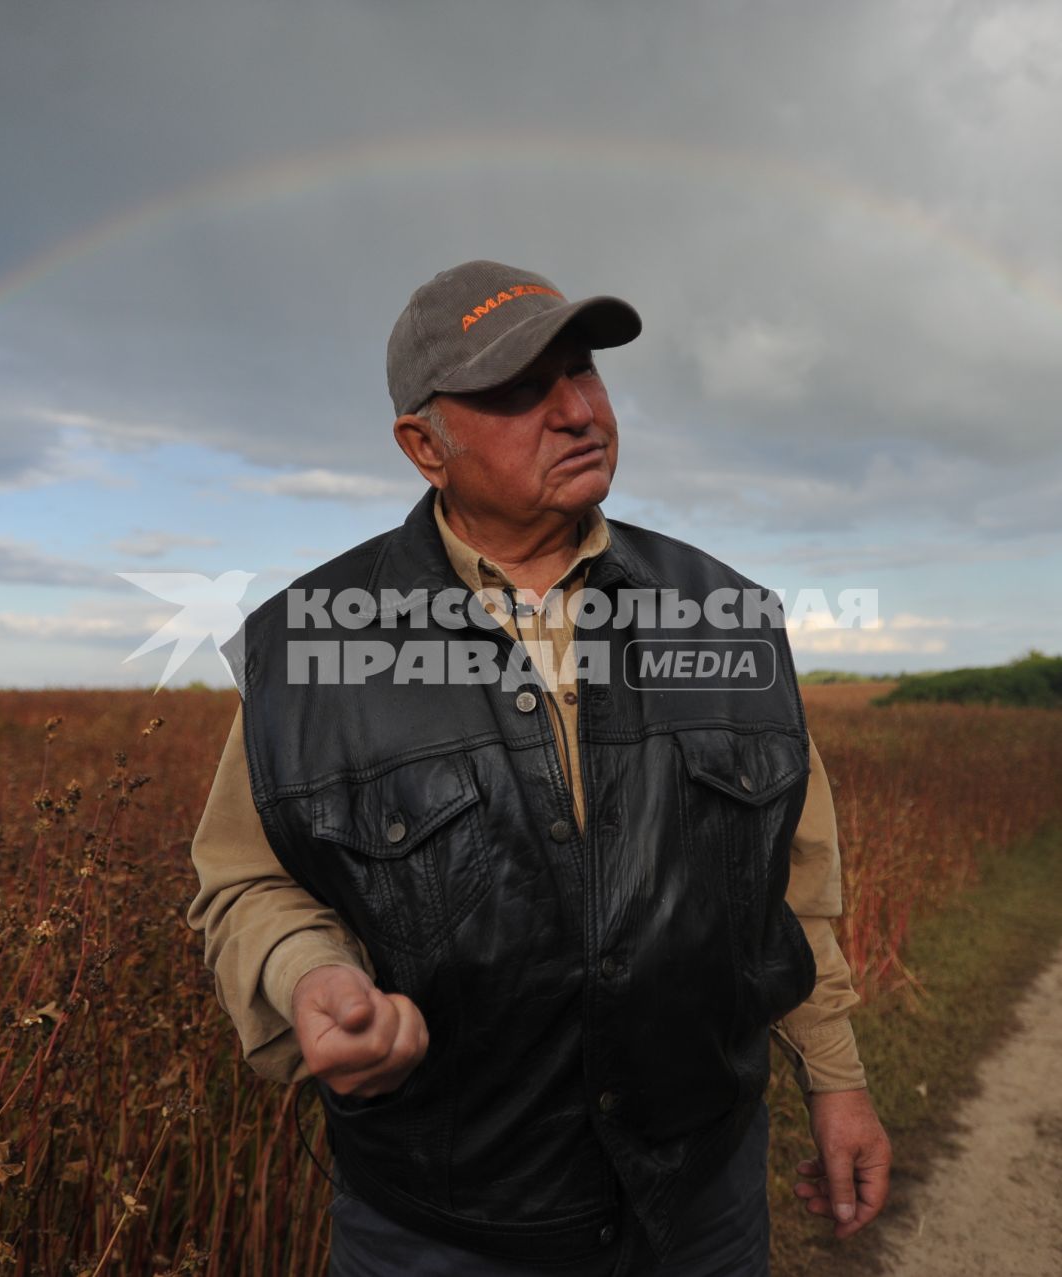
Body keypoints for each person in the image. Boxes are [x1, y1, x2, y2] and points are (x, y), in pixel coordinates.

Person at [188, 260, 890, 1274]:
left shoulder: (724, 615)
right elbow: (248, 881)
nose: (574, 410)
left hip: (702, 1204)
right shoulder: (310, 647)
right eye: (518, 389)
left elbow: (794, 883)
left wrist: (837, 1077)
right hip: (443, 1229)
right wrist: (313, 977)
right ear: (424, 445)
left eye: (584, 371)